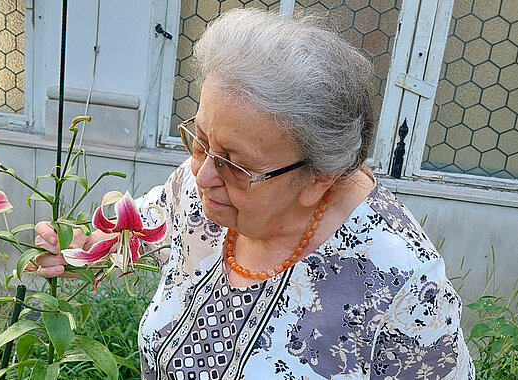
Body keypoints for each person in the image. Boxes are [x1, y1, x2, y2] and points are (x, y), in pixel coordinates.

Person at [30, 8, 474, 380]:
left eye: (235, 164)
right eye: (200, 138)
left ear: (319, 176)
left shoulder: (400, 284)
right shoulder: (196, 189)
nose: (202, 174)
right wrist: (79, 250)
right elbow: (133, 236)